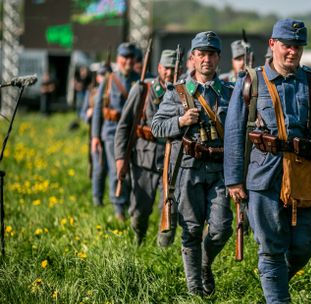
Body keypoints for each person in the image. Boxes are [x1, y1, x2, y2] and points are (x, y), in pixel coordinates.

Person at [224, 19, 311, 303]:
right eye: (287, 46)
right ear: (273, 45)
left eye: (298, 46)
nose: (292, 52)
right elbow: (234, 132)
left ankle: (273, 281)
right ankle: (277, 296)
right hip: (262, 176)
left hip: (304, 174)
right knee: (271, 245)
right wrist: (233, 179)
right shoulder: (250, 82)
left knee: (306, 244)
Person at [152, 31, 233, 296]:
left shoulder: (229, 93)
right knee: (191, 230)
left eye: (211, 54)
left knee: (221, 229)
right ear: (193, 58)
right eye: (201, 54)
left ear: (219, 58)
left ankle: (205, 263)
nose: (206, 59)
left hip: (219, 169)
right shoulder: (177, 92)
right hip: (187, 168)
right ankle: (194, 290)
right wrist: (180, 122)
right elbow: (156, 126)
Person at [114, 50, 177, 246]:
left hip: (172, 162)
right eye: (167, 68)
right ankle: (138, 240)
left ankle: (162, 255)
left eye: (174, 69)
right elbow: (124, 125)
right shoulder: (143, 90)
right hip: (144, 159)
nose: (170, 73)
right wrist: (120, 158)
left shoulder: (183, 92)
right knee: (139, 211)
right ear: (159, 68)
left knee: (169, 210)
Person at [91, 42, 140, 221]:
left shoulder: (140, 79)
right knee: (116, 170)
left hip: (134, 134)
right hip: (111, 133)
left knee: (134, 172)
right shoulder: (109, 80)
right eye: (124, 57)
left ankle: (129, 204)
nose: (127, 61)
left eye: (130, 57)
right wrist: (95, 136)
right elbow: (98, 110)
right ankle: (118, 206)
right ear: (118, 59)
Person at [81, 64, 110, 207]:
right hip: (95, 133)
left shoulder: (112, 90)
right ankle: (97, 200)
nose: (104, 77)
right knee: (98, 168)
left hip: (111, 134)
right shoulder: (91, 92)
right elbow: (82, 112)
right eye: (102, 75)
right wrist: (88, 114)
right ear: (98, 77)